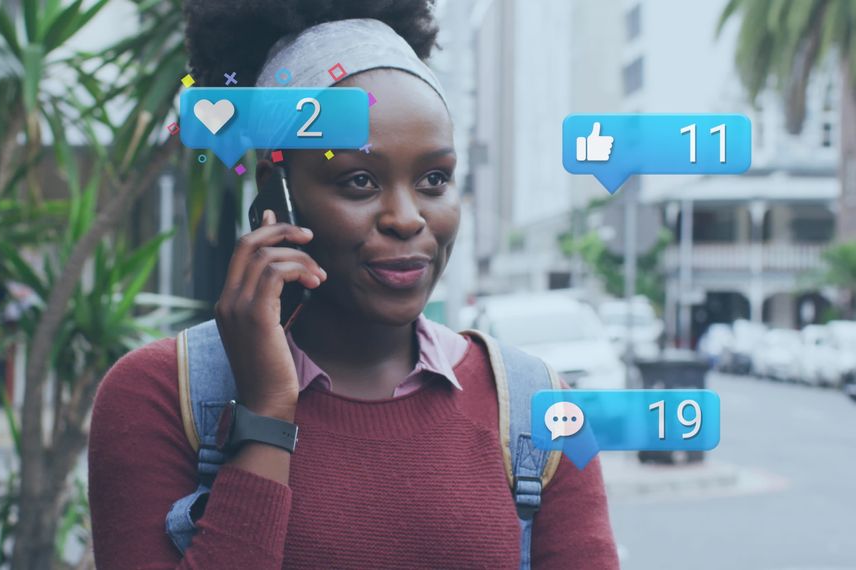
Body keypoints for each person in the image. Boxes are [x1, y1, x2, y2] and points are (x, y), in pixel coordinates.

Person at [88, 2, 619, 568]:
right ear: (277, 197)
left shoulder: (540, 410)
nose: (407, 218)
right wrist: (265, 413)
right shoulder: (159, 395)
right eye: (360, 181)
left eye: (434, 179)